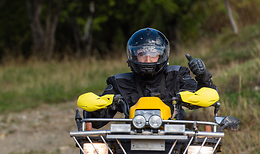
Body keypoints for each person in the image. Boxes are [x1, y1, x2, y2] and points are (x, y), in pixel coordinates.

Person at [78, 28, 218, 129]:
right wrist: (93, 108)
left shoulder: (176, 75)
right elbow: (96, 122)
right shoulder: (120, 83)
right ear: (133, 55)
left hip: (176, 139)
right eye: (142, 54)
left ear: (162, 55)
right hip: (129, 142)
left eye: (153, 53)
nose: (148, 59)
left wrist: (202, 76)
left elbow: (204, 98)